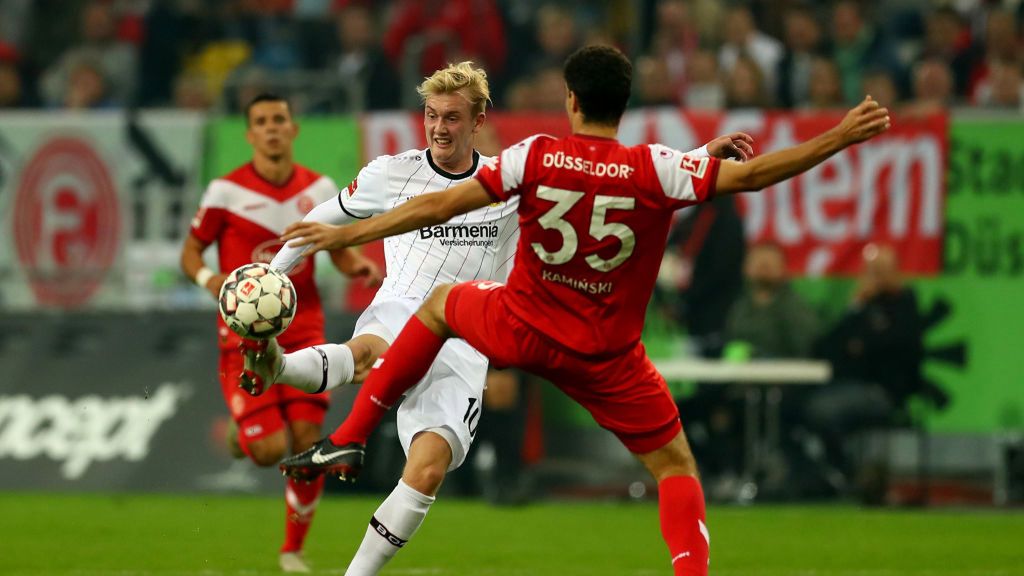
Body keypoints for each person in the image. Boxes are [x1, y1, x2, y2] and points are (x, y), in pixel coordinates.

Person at [274, 45, 890, 575]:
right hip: (605, 355)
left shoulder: (534, 156)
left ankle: (350, 435)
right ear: (624, 104)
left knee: (440, 306)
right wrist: (838, 135)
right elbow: (751, 177)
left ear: (570, 100)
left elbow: (436, 207)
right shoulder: (651, 167)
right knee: (676, 468)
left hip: (521, 328)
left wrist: (344, 238)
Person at [179, 93, 382, 573]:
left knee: (309, 439)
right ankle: (242, 434)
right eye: (261, 122)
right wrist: (217, 285)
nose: (271, 128)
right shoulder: (224, 192)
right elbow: (190, 254)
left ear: (293, 131)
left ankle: (292, 549)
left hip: (304, 328)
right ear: (249, 135)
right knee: (269, 452)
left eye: (279, 120)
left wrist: (358, 268)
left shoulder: (321, 190)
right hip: (242, 340)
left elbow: (336, 249)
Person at [806, 244, 924, 481]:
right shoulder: (864, 305)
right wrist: (855, 306)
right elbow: (825, 347)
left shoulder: (905, 305)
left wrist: (861, 345)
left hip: (885, 392)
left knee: (820, 409)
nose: (877, 277)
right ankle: (835, 471)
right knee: (802, 404)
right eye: (872, 270)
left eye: (883, 270)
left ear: (897, 272)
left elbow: (896, 347)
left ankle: (844, 472)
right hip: (848, 386)